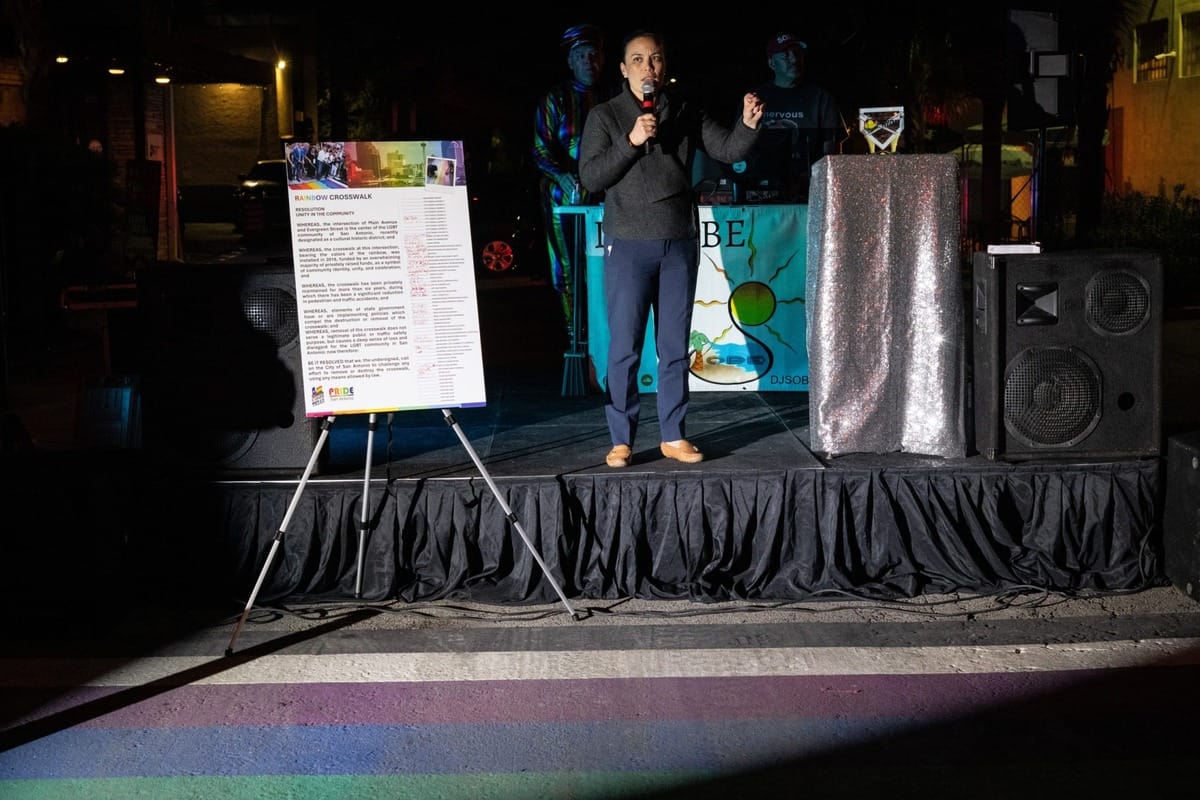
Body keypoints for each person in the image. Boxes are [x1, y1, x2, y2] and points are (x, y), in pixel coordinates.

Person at [578, 30, 764, 468]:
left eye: (656, 59)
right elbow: (591, 177)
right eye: (638, 60)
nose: (648, 67)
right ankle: (621, 438)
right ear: (624, 70)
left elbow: (725, 147)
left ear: (665, 68)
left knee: (675, 346)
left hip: (678, 243)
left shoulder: (684, 111)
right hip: (627, 245)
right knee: (624, 346)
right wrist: (631, 142)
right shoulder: (605, 117)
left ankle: (673, 434)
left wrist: (748, 125)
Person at [532, 23, 613, 333]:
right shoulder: (555, 99)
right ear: (570, 61)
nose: (588, 63)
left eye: (594, 55)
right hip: (563, 198)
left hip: (606, 197)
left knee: (606, 267)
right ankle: (575, 339)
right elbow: (540, 149)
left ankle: (605, 339)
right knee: (567, 269)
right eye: (581, 56)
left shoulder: (611, 95)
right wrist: (562, 175)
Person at [749, 31, 843, 202]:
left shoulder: (820, 98)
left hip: (811, 190)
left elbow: (833, 150)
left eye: (797, 53)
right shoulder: (755, 98)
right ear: (771, 63)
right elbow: (740, 146)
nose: (794, 59)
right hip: (762, 190)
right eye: (785, 55)